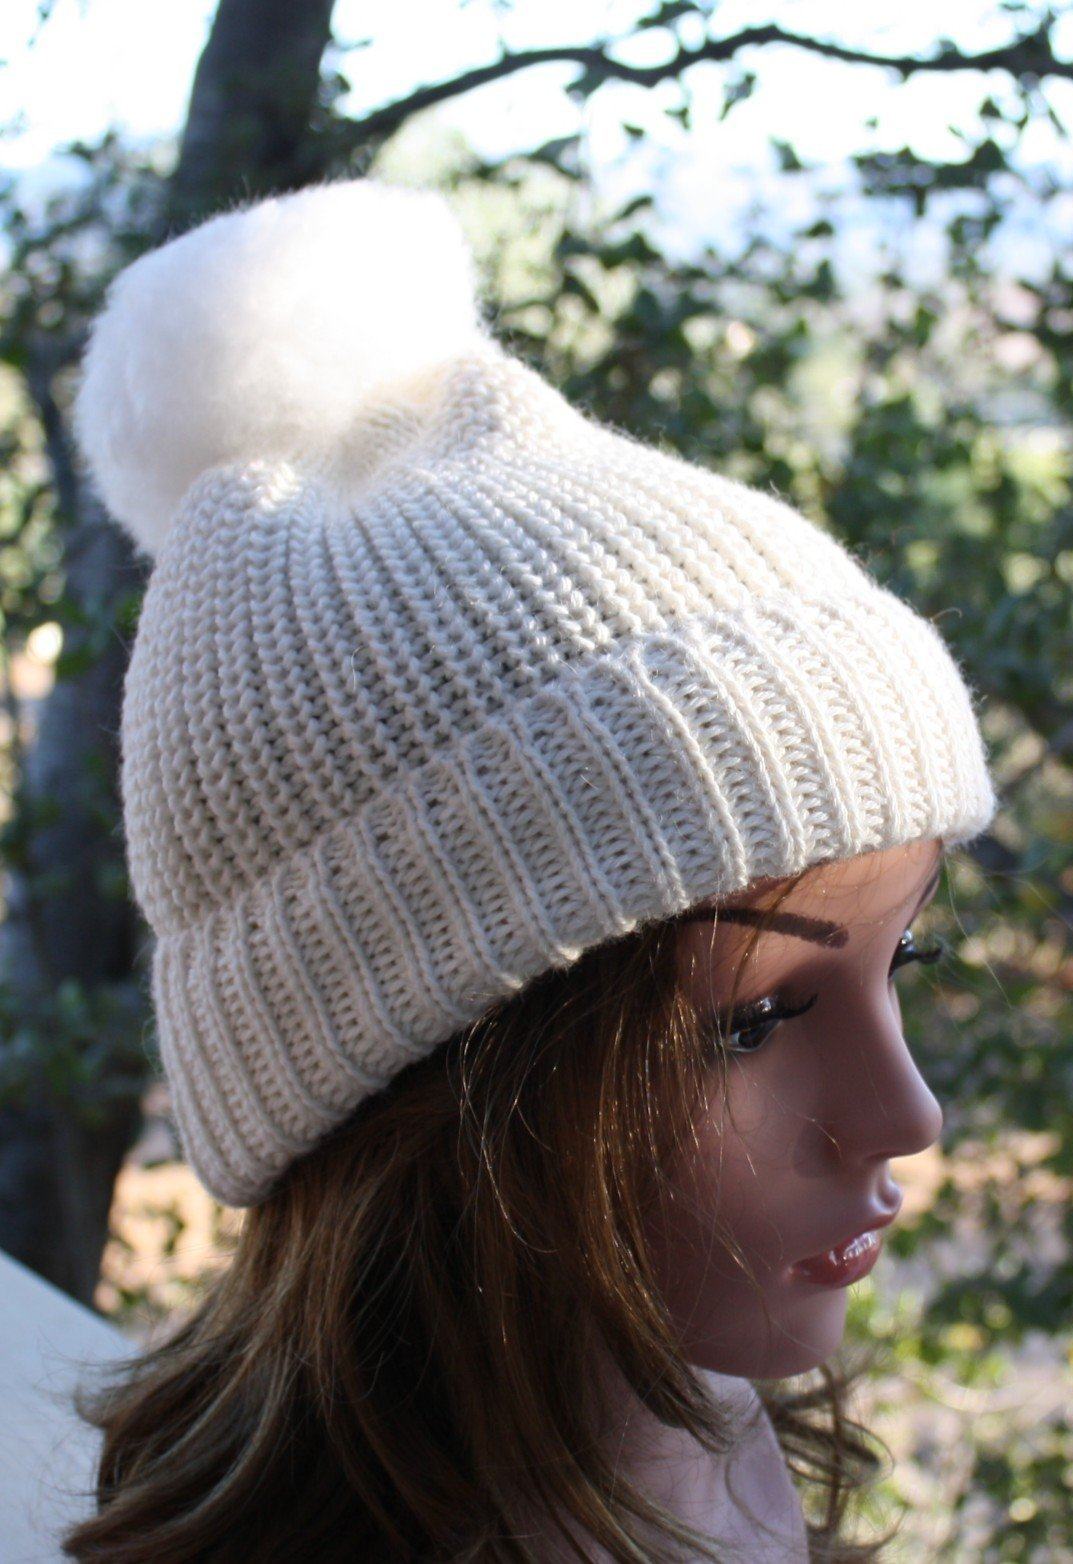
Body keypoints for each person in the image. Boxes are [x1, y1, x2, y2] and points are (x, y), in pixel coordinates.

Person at [59, 179, 997, 1562]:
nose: (905, 1114)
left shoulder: (707, 1440)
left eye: (898, 957)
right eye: (746, 1022)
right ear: (412, 1095)